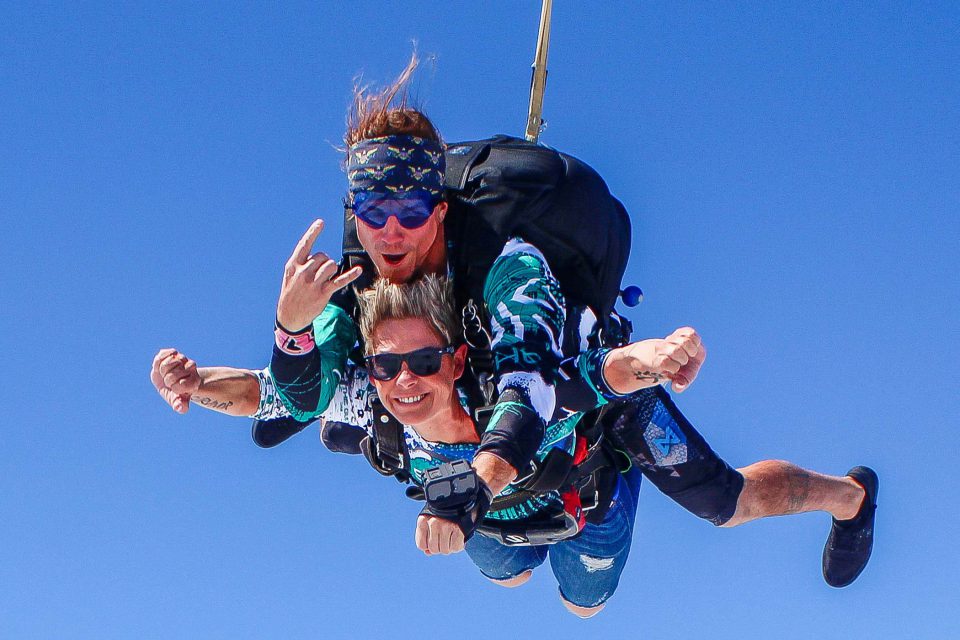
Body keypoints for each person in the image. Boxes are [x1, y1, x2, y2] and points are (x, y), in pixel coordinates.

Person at [153, 57, 878, 589]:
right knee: (507, 575)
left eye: (409, 213)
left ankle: (850, 496)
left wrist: (478, 482)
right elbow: (289, 395)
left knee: (721, 505)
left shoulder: (512, 267)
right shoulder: (357, 293)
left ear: (440, 210)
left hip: (577, 404)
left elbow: (541, 387)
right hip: (486, 488)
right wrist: (266, 341)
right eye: (372, 216)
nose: (390, 234)